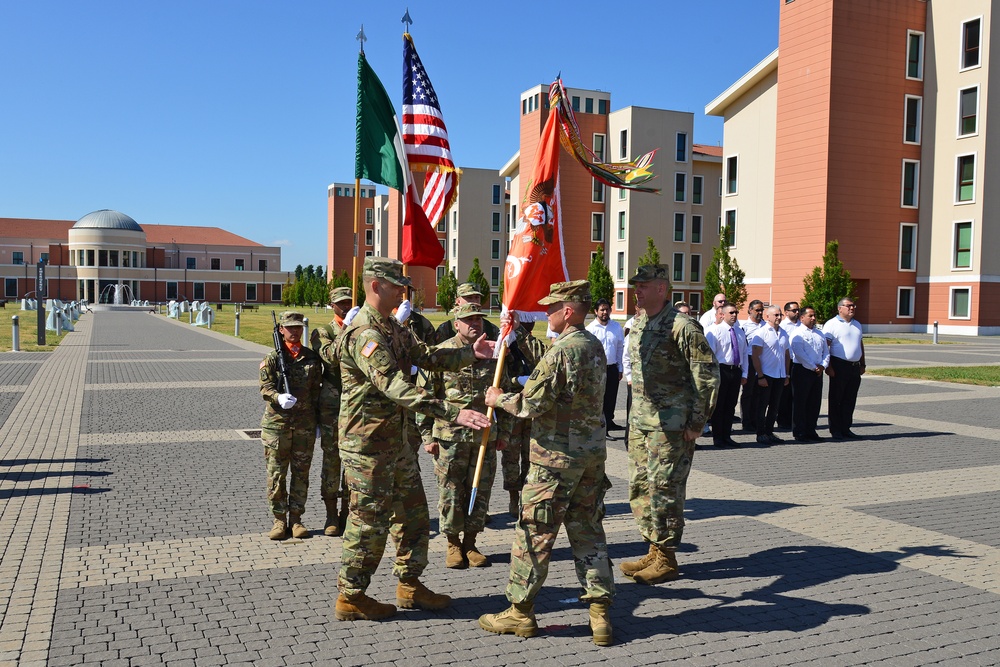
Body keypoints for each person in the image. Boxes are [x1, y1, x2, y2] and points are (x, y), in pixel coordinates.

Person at [333, 257, 493, 622]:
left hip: (396, 442)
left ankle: (410, 583)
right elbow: (396, 387)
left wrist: (470, 353)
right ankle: (352, 596)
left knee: (414, 516)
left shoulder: (393, 327)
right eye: (396, 285)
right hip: (367, 445)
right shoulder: (366, 335)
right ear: (376, 286)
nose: (403, 290)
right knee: (369, 522)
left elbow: (426, 355)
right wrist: (453, 412)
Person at [479, 280, 616, 647]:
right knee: (589, 533)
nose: (546, 313)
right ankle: (600, 615)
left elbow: (531, 404)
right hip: (589, 458)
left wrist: (498, 397)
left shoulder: (562, 352)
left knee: (533, 535)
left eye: (552, 307)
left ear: (567, 311)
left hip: (554, 460)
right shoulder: (593, 345)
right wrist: (516, 340)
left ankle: (520, 613)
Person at [620, 265, 719, 586]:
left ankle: (667, 558)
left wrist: (696, 422)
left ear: (662, 289)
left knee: (665, 490)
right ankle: (653, 547)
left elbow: (705, 376)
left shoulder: (683, 327)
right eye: (636, 285)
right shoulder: (638, 324)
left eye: (644, 286)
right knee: (641, 489)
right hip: (642, 424)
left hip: (672, 427)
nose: (637, 291)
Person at [423, 303, 513, 569]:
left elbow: (505, 394)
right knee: (450, 492)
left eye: (478, 319)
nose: (475, 323)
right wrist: (427, 437)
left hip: (484, 437)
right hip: (450, 438)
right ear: (456, 323)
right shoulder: (442, 353)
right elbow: (426, 397)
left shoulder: (495, 354)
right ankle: (452, 543)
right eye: (468, 319)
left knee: (480, 490)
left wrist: (504, 432)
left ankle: (471, 543)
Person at [259, 311, 323, 540]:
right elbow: (265, 387)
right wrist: (278, 398)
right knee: (276, 475)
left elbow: (317, 391)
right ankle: (279, 520)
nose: (295, 331)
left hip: (304, 424)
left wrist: (317, 421)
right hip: (277, 425)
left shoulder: (312, 358)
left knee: (301, 474)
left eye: (298, 327)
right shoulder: (272, 358)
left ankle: (296, 519)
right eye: (290, 327)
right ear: (281, 330)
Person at [310, 286, 356, 536]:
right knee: (332, 460)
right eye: (341, 303)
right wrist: (347, 329)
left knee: (352, 461)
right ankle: (330, 513)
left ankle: (347, 512)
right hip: (332, 406)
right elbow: (330, 357)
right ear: (332, 306)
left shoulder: (360, 328)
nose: (346, 306)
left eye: (349, 301)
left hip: (357, 405)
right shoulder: (323, 332)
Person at [704, 302, 748, 448]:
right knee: (719, 406)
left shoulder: (739, 331)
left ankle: (727, 436)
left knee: (730, 405)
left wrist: (745, 373)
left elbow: (744, 354)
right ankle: (718, 438)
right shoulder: (715, 331)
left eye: (736, 312)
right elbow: (710, 355)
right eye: (731, 313)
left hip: (735, 370)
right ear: (722, 315)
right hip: (720, 370)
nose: (734, 315)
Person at [823, 298, 866, 440]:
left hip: (854, 367)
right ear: (840, 308)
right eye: (848, 306)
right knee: (836, 399)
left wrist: (862, 363)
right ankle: (835, 430)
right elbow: (825, 347)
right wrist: (828, 366)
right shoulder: (832, 324)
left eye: (854, 305)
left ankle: (846, 428)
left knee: (850, 399)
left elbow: (860, 344)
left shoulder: (857, 324)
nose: (852, 308)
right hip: (839, 365)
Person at [749, 306, 791, 445]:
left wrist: (786, 374)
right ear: (768, 316)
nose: (779, 317)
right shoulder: (761, 333)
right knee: (762, 406)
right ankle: (760, 433)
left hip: (779, 375)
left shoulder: (784, 333)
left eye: (780, 315)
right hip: (766, 375)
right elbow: (755, 355)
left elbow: (786, 355)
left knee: (775, 406)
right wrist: (760, 376)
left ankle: (769, 431)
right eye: (776, 315)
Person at [789, 307, 829, 442]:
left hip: (817, 371)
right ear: (802, 318)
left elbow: (826, 352)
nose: (813, 318)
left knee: (814, 402)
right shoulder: (797, 334)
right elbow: (800, 354)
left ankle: (811, 430)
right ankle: (799, 432)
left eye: (814, 315)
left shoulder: (819, 333)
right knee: (801, 402)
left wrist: (823, 365)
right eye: (810, 316)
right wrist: (813, 367)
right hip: (802, 370)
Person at [586, 297, 625, 437]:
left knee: (611, 398)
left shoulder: (616, 327)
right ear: (596, 311)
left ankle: (609, 422)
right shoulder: (590, 329)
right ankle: (601, 429)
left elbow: (620, 348)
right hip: (597, 370)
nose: (605, 312)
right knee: (599, 399)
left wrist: (620, 369)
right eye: (602, 309)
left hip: (612, 368)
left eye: (607, 309)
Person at [435, 283, 500, 343]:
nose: (474, 301)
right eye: (469, 298)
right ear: (458, 301)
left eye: (477, 297)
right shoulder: (447, 329)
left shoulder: (491, 329)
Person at [740, 300, 765, 432]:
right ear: (750, 310)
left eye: (761, 310)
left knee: (759, 393)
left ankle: (757, 419)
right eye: (757, 310)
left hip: (762, 361)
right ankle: (747, 421)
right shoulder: (744, 327)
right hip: (749, 361)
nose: (760, 313)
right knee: (748, 392)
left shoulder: (765, 326)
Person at [776, 301, 802, 429]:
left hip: (800, 362)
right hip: (787, 361)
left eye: (798, 310)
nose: (797, 312)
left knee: (796, 392)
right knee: (784, 393)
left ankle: (794, 420)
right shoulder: (783, 326)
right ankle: (783, 420)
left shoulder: (801, 325)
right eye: (794, 310)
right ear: (786, 312)